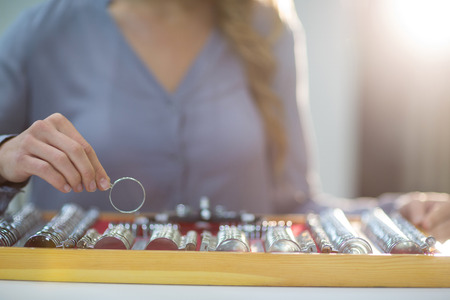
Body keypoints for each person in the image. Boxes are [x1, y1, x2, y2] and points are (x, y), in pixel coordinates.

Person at [0, 0, 449, 241]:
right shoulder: (44, 30)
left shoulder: (268, 31)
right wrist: (5, 158)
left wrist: (396, 214)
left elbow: (293, 205)